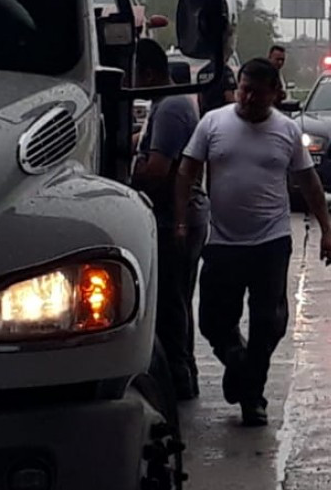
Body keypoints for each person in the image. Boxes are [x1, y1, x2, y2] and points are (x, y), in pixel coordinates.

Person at [175, 58, 331, 427]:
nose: (247, 98)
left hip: (271, 241)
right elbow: (188, 169)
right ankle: (240, 366)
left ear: (275, 94)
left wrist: (327, 231)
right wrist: (182, 218)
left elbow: (308, 183)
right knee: (213, 323)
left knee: (270, 323)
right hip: (223, 242)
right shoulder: (213, 122)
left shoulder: (286, 131)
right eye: (244, 89)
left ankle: (253, 397)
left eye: (257, 93)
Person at [131, 38, 209, 401]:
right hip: (183, 215)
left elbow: (158, 169)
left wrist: (131, 169)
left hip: (176, 217)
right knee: (176, 300)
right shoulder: (171, 104)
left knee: (170, 305)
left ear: (146, 73)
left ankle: (179, 379)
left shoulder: (170, 108)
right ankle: (182, 374)